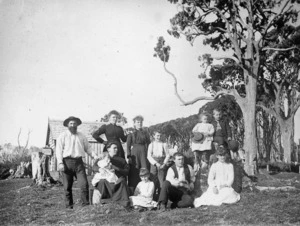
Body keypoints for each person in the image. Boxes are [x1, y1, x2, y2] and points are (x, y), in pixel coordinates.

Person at [56, 116, 95, 209]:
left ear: (77, 125)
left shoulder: (82, 136)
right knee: (67, 186)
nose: (73, 125)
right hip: (66, 163)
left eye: (74, 123)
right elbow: (58, 150)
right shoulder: (62, 136)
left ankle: (85, 206)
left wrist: (95, 156)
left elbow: (88, 148)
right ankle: (69, 207)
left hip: (79, 163)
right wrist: (60, 163)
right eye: (71, 123)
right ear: (67, 125)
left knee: (84, 184)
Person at [92, 142, 130, 207]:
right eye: (114, 148)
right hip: (105, 179)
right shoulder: (102, 157)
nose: (116, 149)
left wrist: (116, 168)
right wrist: (99, 169)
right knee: (102, 181)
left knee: (122, 181)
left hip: (116, 180)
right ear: (108, 149)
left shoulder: (121, 160)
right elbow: (94, 167)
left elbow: (127, 171)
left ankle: (122, 203)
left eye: (117, 148)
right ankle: (104, 201)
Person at [127, 115, 151, 191]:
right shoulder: (131, 133)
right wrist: (129, 156)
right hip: (135, 152)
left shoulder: (145, 133)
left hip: (143, 151)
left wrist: (148, 153)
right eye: (137, 122)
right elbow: (128, 145)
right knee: (135, 169)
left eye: (141, 122)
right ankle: (133, 190)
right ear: (134, 123)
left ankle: (145, 189)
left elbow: (149, 144)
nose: (139, 124)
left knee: (144, 168)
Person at [147, 130, 170, 200]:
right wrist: (155, 163)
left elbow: (168, 155)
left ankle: (161, 199)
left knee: (161, 181)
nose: (159, 137)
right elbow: (149, 156)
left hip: (162, 163)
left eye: (160, 135)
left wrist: (164, 164)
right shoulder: (151, 145)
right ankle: (153, 198)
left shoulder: (164, 144)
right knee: (153, 180)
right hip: (154, 163)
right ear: (154, 136)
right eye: (157, 135)